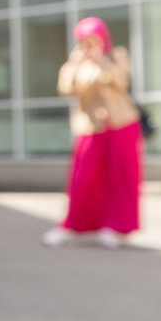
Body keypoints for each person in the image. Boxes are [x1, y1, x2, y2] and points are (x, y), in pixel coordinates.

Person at [44, 16, 141, 247]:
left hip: (122, 124)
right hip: (90, 127)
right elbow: (66, 89)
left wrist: (103, 62)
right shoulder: (76, 62)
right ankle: (70, 226)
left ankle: (114, 227)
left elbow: (121, 82)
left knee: (121, 177)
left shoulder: (116, 55)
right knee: (83, 178)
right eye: (85, 40)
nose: (90, 44)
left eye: (94, 39)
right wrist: (78, 63)